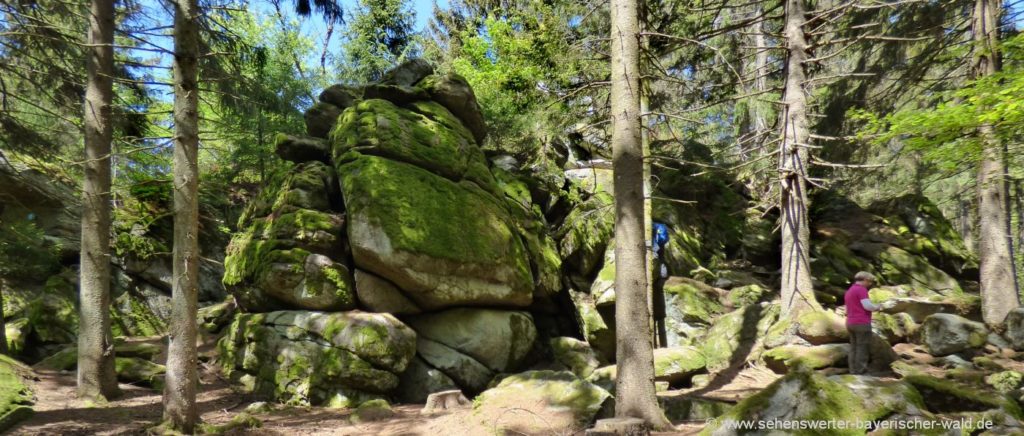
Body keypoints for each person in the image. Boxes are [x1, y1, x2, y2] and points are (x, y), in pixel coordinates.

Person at [844, 271, 892, 374]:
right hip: (861, 323)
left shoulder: (850, 290)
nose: (870, 284)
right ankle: (860, 371)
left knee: (853, 347)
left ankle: (852, 370)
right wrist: (878, 306)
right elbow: (867, 306)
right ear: (865, 280)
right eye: (870, 281)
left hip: (850, 322)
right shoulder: (861, 290)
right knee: (862, 347)